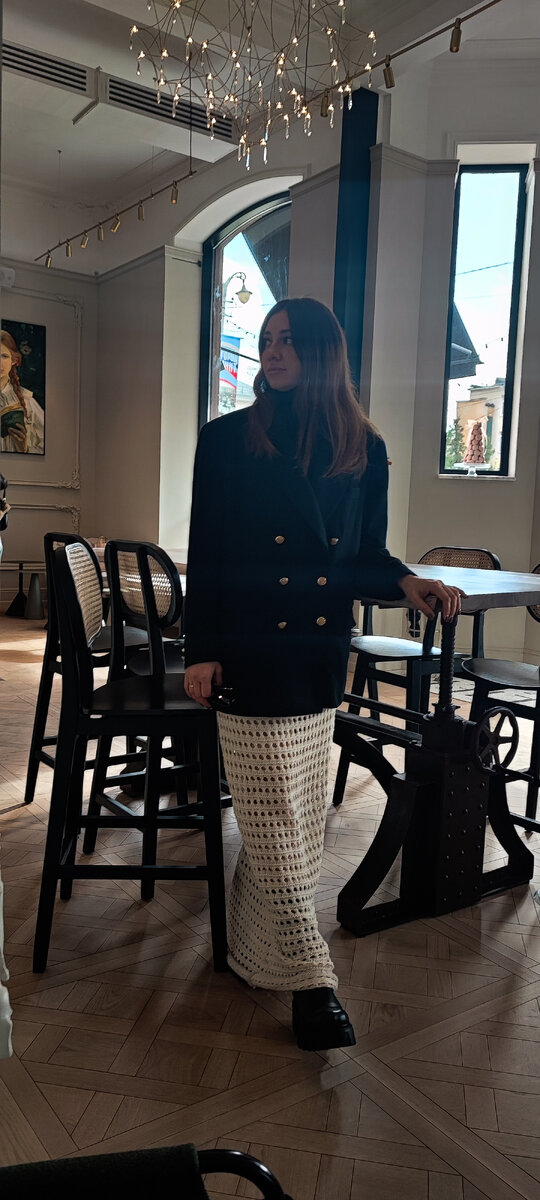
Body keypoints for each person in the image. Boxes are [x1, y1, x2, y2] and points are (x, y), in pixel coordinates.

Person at [183, 297, 463, 1052]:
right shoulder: (226, 440)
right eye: (267, 340)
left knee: (295, 818)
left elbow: (362, 555)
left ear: (323, 351)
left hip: (314, 656)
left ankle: (249, 947)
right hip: (247, 653)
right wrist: (199, 648)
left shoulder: (362, 447)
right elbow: (207, 550)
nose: (273, 352)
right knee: (274, 815)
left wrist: (405, 581)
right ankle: (313, 985)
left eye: (289, 340)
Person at [0, 330, 44, 454]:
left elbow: (50, 444)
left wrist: (24, 448)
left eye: (4, 356)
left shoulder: (27, 401)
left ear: (14, 360)